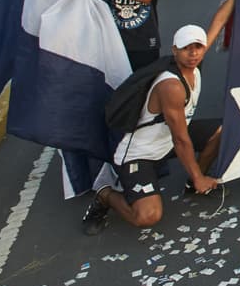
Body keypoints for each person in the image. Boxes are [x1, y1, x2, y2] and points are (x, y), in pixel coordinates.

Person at [81, 15, 229, 235]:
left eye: (198, 47)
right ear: (174, 50)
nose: (194, 53)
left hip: (166, 140)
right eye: (187, 48)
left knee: (221, 131)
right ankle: (105, 194)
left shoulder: (194, 63)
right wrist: (200, 177)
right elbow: (180, 139)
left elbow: (216, 24)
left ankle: (193, 185)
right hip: (141, 153)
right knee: (147, 217)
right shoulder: (171, 86)